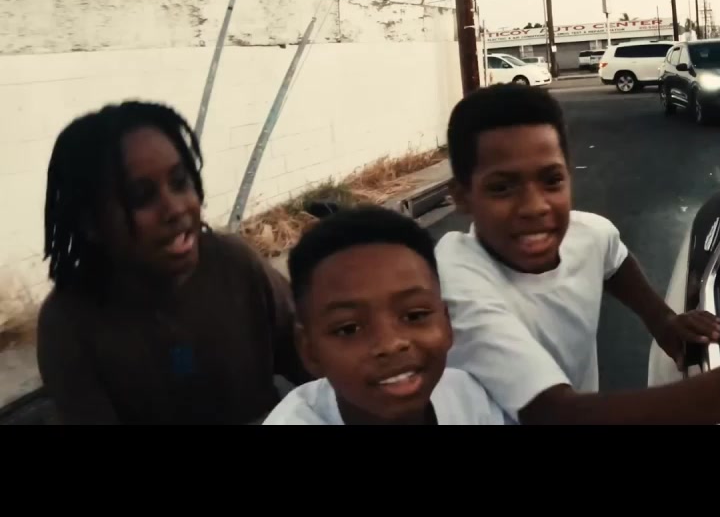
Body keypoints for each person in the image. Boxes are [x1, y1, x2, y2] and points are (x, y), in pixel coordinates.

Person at [436, 83, 720, 425]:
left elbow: (611, 258)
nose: (534, 207)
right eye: (502, 188)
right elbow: (552, 413)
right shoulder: (456, 284)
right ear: (461, 197)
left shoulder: (587, 233)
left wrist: (662, 320)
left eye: (551, 180)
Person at [36, 101, 311, 424]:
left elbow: (319, 366)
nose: (175, 209)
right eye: (141, 197)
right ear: (92, 223)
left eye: (180, 182)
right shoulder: (68, 324)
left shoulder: (234, 263)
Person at [263, 206, 508, 425]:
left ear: (447, 324)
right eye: (348, 329)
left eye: (415, 315)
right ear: (310, 352)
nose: (390, 344)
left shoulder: (468, 397)